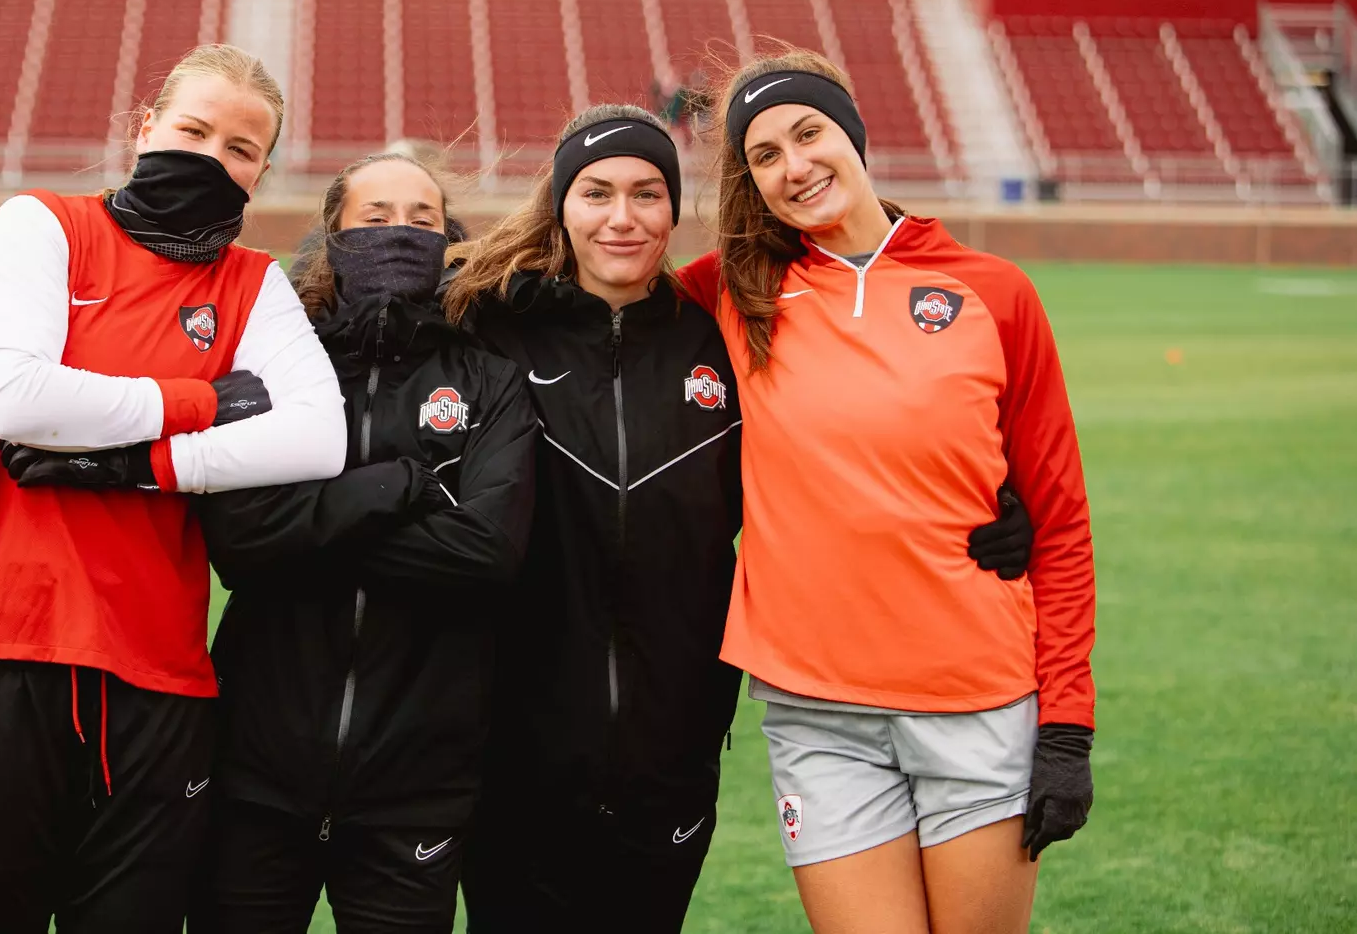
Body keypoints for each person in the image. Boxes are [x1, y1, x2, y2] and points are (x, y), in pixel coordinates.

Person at [444, 105, 1036, 932]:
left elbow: (833, 425)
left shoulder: (720, 322)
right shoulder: (490, 328)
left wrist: (976, 500)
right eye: (596, 193)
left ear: (677, 208)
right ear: (561, 208)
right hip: (516, 748)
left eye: (648, 193)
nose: (623, 218)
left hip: (672, 746)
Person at [0, 43, 347, 934]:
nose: (214, 159)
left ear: (263, 170)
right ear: (145, 129)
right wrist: (204, 401)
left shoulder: (250, 283)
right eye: (194, 130)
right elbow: (18, 397)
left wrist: (140, 464)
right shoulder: (43, 225)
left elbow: (315, 434)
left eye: (242, 149)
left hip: (158, 682)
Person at [678, 47, 1095, 934]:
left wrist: (1065, 728)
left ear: (853, 134)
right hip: (816, 712)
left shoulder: (995, 295)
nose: (795, 166)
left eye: (808, 133)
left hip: (977, 702)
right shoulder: (730, 293)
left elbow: (1058, 525)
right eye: (764, 155)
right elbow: (591, 294)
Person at [188, 151, 539, 933]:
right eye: (376, 218)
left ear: (450, 238)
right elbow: (238, 542)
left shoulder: (489, 378)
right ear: (334, 235)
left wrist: (309, 525)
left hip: (419, 783)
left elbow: (488, 555)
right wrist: (388, 490)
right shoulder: (279, 369)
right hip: (254, 770)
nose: (400, 233)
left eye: (421, 219)